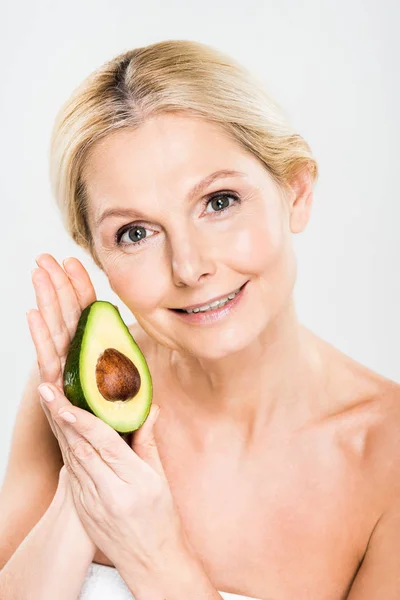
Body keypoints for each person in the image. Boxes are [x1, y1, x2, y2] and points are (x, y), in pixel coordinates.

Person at [1, 39, 399, 600]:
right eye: (135, 233)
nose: (189, 268)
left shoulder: (389, 457)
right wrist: (85, 478)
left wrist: (155, 554)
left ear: (296, 191)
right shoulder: (75, 398)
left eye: (219, 201)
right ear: (97, 255)